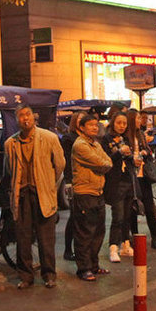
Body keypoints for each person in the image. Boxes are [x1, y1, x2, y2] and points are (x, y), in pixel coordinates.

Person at [0, 104, 65, 289]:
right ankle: (26, 276)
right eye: (21, 115)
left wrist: (48, 184)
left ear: (34, 116)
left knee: (46, 238)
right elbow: (9, 169)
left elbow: (60, 165)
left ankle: (49, 274)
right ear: (17, 119)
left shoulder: (49, 138)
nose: (25, 118)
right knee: (23, 237)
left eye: (27, 114)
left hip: (43, 193)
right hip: (21, 195)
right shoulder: (10, 144)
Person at [71, 114, 113, 281]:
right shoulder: (80, 145)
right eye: (91, 125)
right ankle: (84, 269)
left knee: (98, 231)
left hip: (98, 192)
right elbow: (102, 163)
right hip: (84, 193)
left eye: (96, 125)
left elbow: (108, 161)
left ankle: (93, 265)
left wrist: (105, 163)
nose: (95, 128)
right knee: (85, 233)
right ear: (81, 128)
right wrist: (105, 164)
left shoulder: (95, 144)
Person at [102, 111, 137, 263]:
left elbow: (129, 158)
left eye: (124, 123)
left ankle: (126, 245)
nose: (122, 126)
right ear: (112, 122)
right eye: (119, 123)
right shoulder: (105, 139)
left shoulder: (125, 138)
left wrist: (133, 159)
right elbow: (105, 160)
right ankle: (113, 248)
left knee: (128, 216)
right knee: (118, 217)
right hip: (114, 184)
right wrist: (119, 153)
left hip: (128, 181)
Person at [127, 109, 156, 251]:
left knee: (149, 207)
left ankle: (155, 238)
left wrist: (143, 152)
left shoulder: (140, 134)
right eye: (137, 118)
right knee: (132, 209)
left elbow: (148, 151)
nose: (140, 121)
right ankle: (135, 237)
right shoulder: (126, 137)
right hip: (131, 178)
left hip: (144, 177)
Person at [61, 112, 84, 261]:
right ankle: (68, 249)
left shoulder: (87, 138)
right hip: (72, 181)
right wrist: (68, 180)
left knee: (82, 216)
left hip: (85, 182)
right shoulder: (69, 138)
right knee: (74, 215)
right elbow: (66, 162)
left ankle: (80, 248)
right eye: (80, 120)